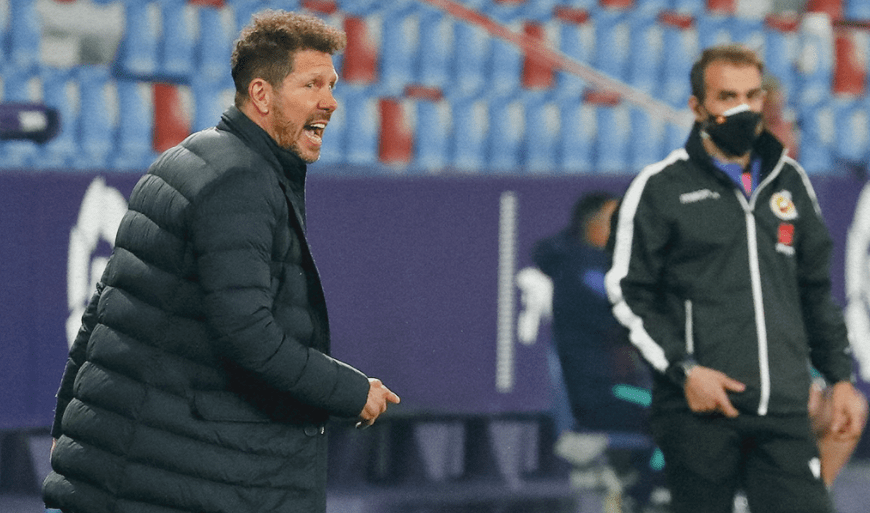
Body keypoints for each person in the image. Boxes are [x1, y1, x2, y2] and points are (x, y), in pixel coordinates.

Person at [42, 10, 399, 513]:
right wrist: (349, 390)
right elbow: (247, 333)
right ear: (262, 95)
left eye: (332, 85)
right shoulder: (240, 182)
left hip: (124, 466)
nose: (330, 101)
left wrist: (66, 426)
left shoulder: (184, 158)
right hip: (169, 478)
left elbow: (103, 311)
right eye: (312, 84)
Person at [605, 43, 866, 513]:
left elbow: (814, 292)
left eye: (752, 95)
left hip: (783, 409)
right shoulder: (660, 187)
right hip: (700, 410)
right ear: (697, 107)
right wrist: (686, 371)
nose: (743, 108)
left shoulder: (791, 183)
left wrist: (839, 379)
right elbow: (627, 294)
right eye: (727, 97)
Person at [534, 192, 657, 512]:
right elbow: (628, 313)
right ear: (593, 226)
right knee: (673, 411)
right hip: (601, 393)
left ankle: (643, 490)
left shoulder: (591, 265)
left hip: (615, 388)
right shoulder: (583, 270)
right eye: (617, 221)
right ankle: (641, 495)